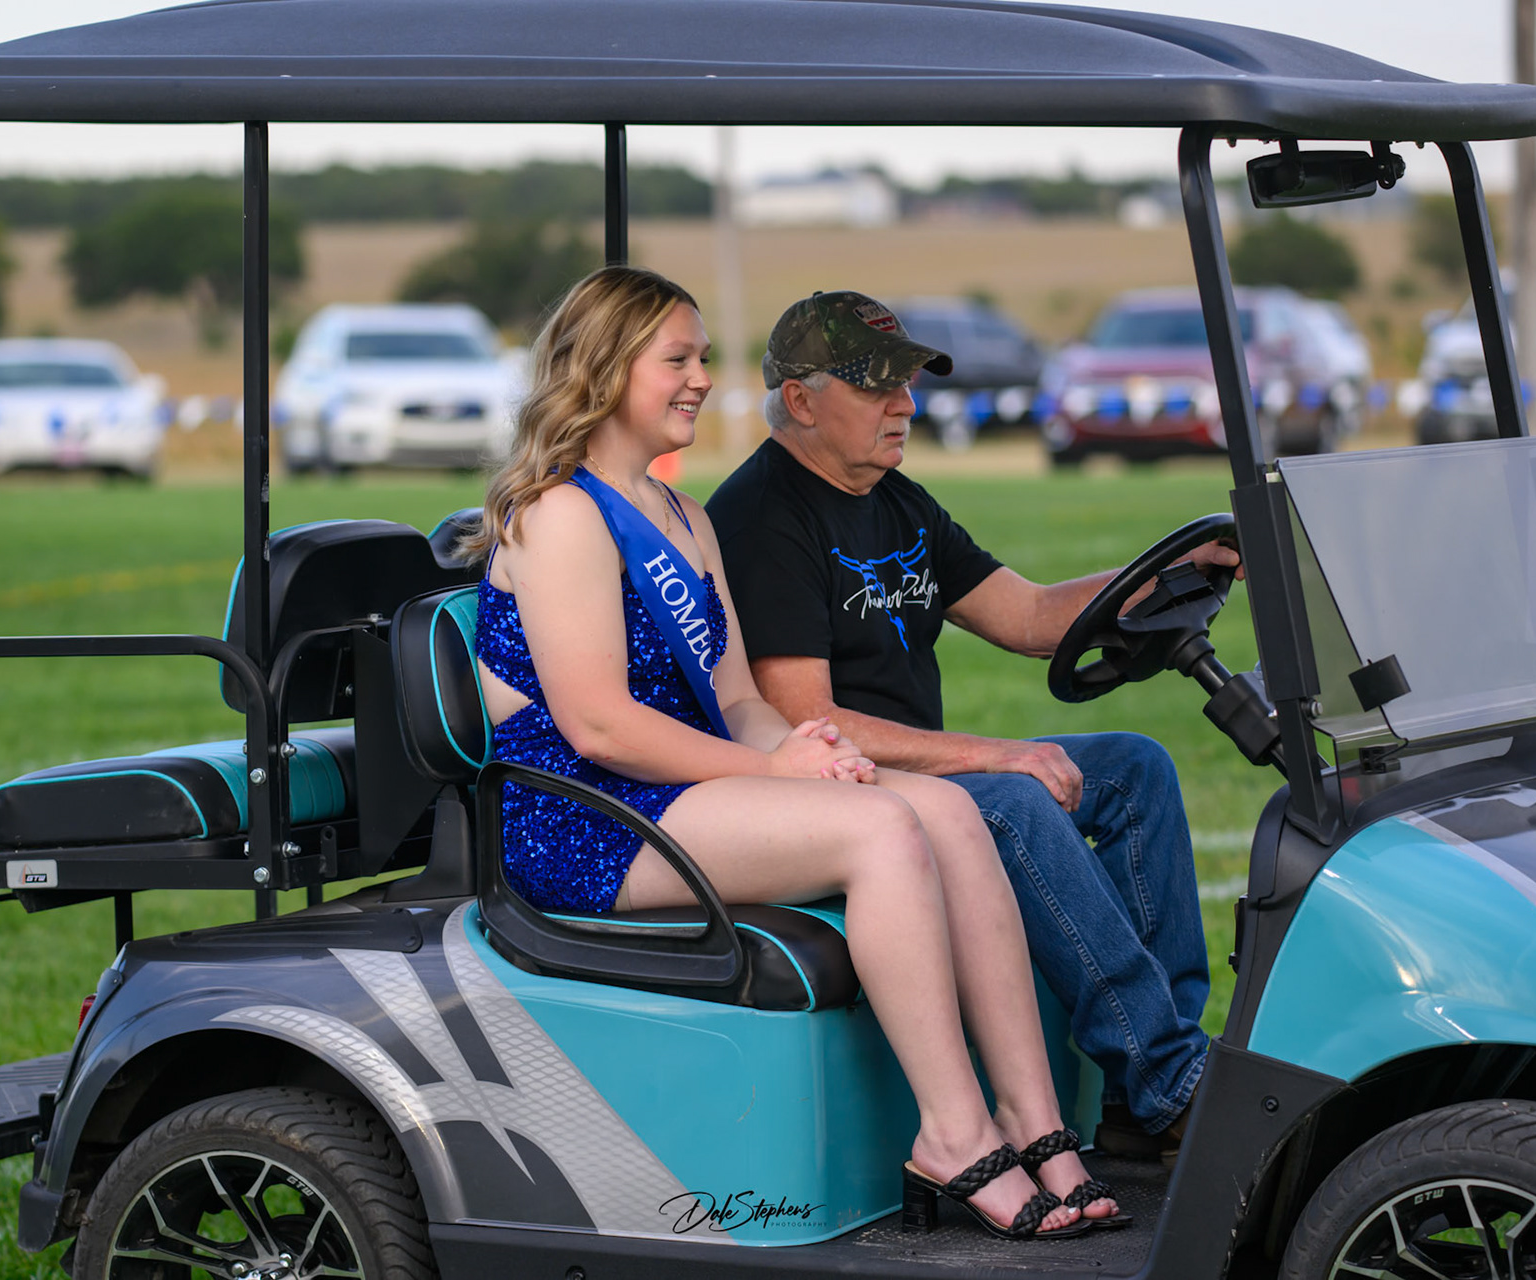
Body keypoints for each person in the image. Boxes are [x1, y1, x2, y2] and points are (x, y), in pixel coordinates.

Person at [469, 266, 1124, 1239]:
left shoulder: (682, 516)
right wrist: (778, 772)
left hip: (674, 786)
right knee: (883, 832)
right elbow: (599, 726)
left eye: (701, 358)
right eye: (677, 360)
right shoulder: (562, 512)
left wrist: (811, 748)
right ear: (605, 369)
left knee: (948, 809)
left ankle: (1040, 1126)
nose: (702, 378)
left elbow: (738, 700)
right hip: (584, 814)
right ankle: (953, 1132)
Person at [706, 290, 1235, 1162]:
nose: (905, 405)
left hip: (923, 775)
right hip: (845, 789)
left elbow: (1028, 615)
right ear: (801, 400)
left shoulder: (895, 501)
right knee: (1016, 801)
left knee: (1135, 769)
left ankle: (1148, 1096)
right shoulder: (766, 517)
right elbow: (808, 720)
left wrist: (1163, 573)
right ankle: (1172, 1079)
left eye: (907, 384)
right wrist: (996, 755)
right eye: (877, 387)